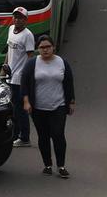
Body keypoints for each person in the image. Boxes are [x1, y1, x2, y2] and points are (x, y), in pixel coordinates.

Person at [20, 34, 75, 177]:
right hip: (38, 108)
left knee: (58, 135)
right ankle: (47, 164)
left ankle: (61, 166)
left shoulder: (62, 62)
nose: (45, 50)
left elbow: (69, 82)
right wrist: (26, 101)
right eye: (41, 47)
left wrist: (71, 101)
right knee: (43, 136)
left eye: (48, 47)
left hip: (59, 106)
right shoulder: (32, 63)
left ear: (53, 47)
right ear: (38, 49)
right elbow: (24, 83)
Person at [1, 7, 37, 147]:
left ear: (25, 20)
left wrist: (25, 76)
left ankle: (24, 137)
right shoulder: (11, 29)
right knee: (13, 107)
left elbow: (30, 57)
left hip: (19, 77)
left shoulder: (28, 35)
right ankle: (15, 134)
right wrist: (4, 68)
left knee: (20, 109)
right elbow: (9, 52)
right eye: (15, 17)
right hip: (10, 75)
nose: (17, 20)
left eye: (20, 17)